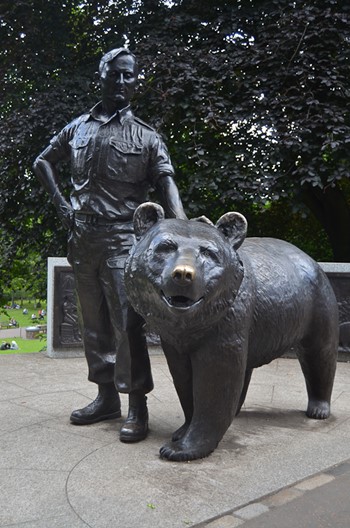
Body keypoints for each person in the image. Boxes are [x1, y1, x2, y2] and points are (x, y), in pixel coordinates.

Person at [33, 48, 187, 443]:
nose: (122, 83)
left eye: (129, 77)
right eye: (115, 75)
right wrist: (63, 206)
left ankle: (137, 406)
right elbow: (42, 162)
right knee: (93, 323)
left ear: (135, 82)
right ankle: (105, 398)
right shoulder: (77, 129)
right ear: (101, 76)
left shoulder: (147, 136)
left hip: (123, 239)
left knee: (127, 326)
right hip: (82, 237)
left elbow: (166, 181)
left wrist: (182, 227)